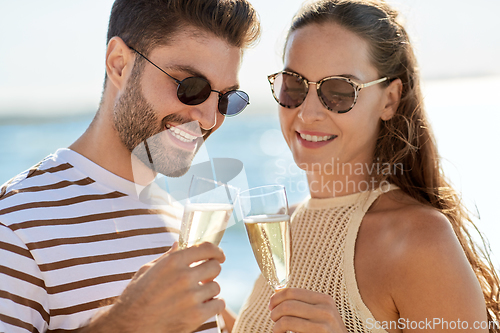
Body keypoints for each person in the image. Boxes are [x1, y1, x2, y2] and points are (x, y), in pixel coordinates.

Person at [231, 0, 500, 332]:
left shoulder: (419, 240)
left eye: (340, 91)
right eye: (294, 85)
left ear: (389, 99)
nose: (308, 112)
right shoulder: (286, 228)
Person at [0, 1, 260, 332]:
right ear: (119, 64)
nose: (209, 120)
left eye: (226, 100)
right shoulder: (15, 228)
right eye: (191, 87)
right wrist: (126, 322)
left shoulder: (180, 222)